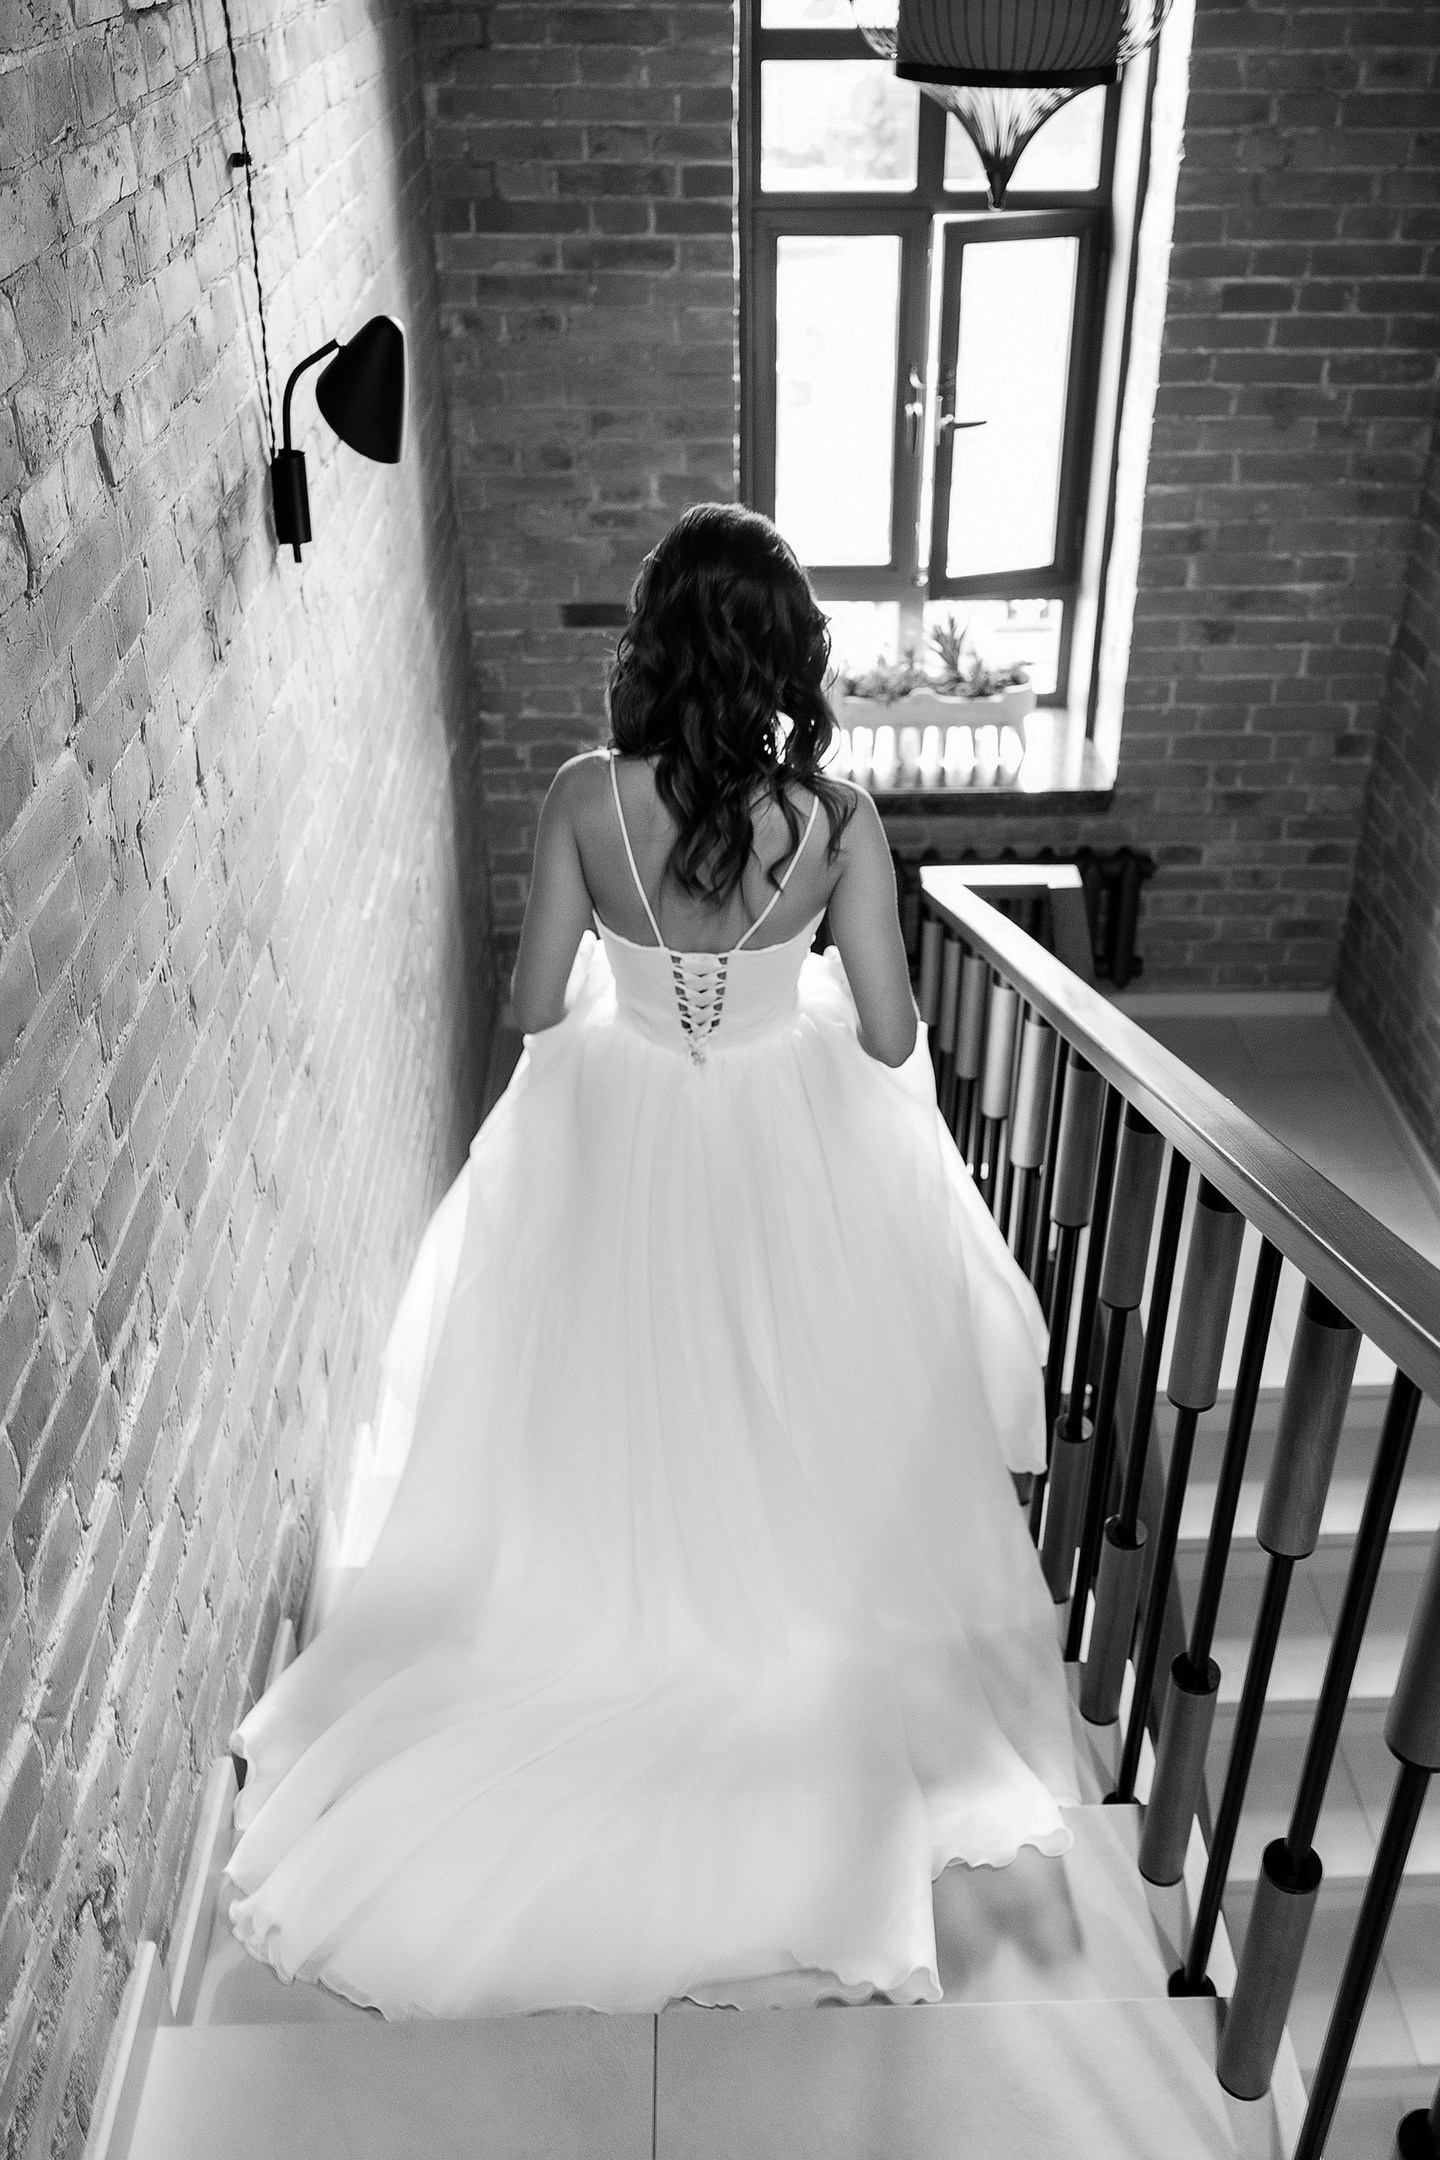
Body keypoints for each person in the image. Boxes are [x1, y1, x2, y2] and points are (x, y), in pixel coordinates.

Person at [224, 503, 1081, 2019]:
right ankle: (771, 1633)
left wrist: (645, 1001)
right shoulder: (839, 820)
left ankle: (620, 1615)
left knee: (615, 1394)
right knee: (781, 1396)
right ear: (787, 655)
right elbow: (892, 1038)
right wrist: (784, 995)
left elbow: (535, 1007)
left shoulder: (581, 797)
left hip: (619, 1127)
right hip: (785, 1137)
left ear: (653, 646)